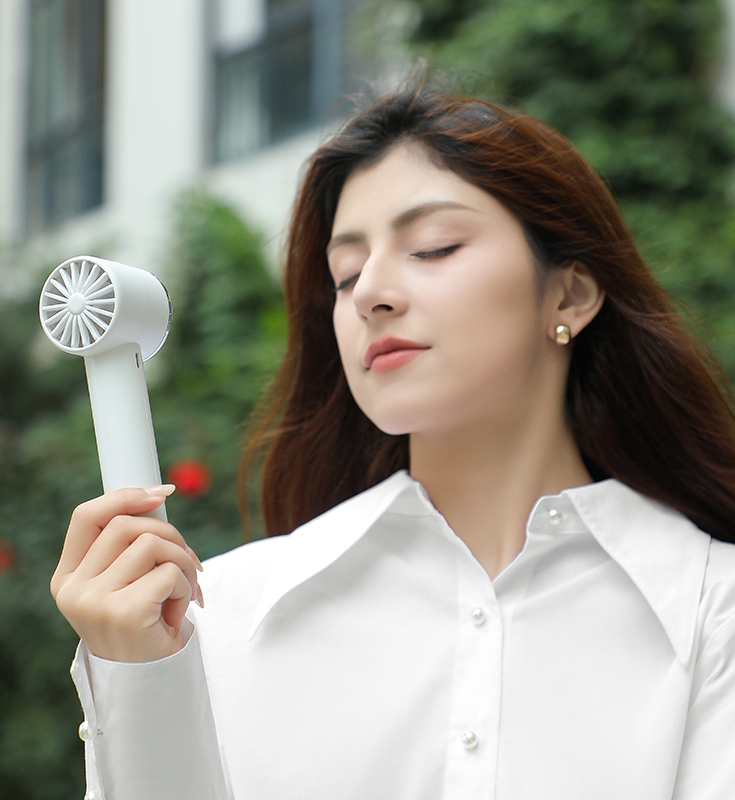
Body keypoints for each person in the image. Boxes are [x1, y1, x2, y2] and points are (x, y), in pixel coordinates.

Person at [51, 86, 735, 800]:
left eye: (433, 247)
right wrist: (140, 678)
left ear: (569, 295)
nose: (369, 292)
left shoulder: (709, 609)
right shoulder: (213, 618)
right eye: (345, 275)